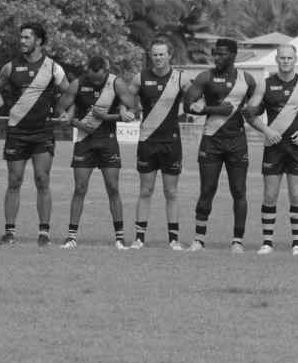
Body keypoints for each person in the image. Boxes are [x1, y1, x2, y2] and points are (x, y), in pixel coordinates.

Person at [246, 44, 298, 256]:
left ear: (296, 59)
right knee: (270, 195)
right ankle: (267, 243)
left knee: (296, 195)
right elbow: (250, 114)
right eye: (282, 58)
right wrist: (266, 130)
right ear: (277, 60)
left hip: (297, 147)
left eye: (289, 58)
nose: (286, 61)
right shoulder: (265, 84)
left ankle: (297, 244)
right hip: (272, 147)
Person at [0, 22, 69, 246]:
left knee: (42, 179)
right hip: (17, 132)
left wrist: (68, 111)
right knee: (14, 180)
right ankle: (9, 232)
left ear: (39, 41)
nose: (22, 41)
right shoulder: (10, 67)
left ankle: (44, 233)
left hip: (42, 132)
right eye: (21, 37)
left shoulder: (53, 67)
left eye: (27, 38)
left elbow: (69, 92)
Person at [186, 38, 257, 254]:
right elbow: (187, 106)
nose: (217, 57)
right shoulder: (205, 76)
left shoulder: (248, 79)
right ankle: (198, 240)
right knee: (207, 189)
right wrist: (215, 110)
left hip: (237, 142)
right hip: (211, 140)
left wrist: (255, 111)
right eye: (215, 53)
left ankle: (237, 241)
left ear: (234, 55)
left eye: (222, 54)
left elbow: (258, 106)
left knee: (239, 191)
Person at [57, 55, 135, 249]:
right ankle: (71, 236)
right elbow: (61, 107)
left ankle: (119, 238)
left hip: (108, 142)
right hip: (84, 141)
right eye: (93, 79)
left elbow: (135, 110)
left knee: (113, 187)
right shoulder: (77, 83)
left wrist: (111, 115)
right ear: (88, 71)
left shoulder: (116, 83)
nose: (97, 83)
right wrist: (70, 119)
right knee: (80, 188)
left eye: (100, 80)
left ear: (105, 71)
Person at [128, 37, 190, 251]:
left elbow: (196, 99)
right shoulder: (140, 78)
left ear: (169, 55)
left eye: (162, 54)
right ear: (150, 56)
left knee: (171, 192)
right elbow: (126, 99)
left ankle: (173, 240)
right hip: (147, 142)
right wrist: (125, 111)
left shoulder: (181, 78)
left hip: (171, 143)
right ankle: (139, 239)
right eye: (155, 54)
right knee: (145, 190)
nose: (158, 58)